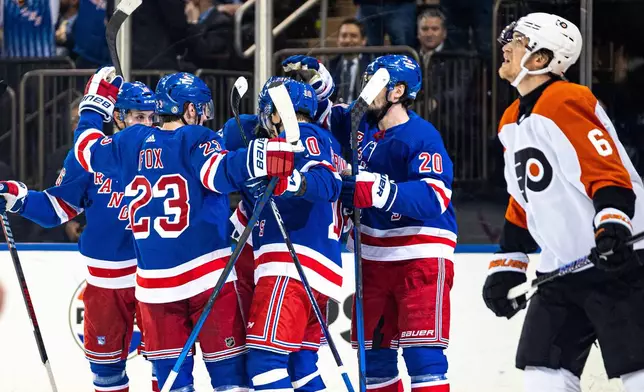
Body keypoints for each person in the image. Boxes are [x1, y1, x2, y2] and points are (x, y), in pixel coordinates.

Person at [71, 67, 295, 391]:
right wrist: (260, 158)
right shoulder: (196, 137)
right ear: (190, 109)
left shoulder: (128, 140)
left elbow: (86, 149)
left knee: (174, 387)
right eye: (202, 110)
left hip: (155, 291)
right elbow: (218, 173)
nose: (204, 118)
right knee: (231, 382)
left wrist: (93, 107)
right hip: (209, 283)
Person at [482, 13, 644, 392]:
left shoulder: (565, 98)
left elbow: (607, 171)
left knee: (638, 373)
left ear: (539, 59)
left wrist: (612, 227)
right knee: (543, 375)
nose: (505, 45)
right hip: (561, 273)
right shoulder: (511, 120)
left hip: (620, 265)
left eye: (517, 40)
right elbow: (523, 201)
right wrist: (509, 263)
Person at [285, 53, 457, 391]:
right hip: (372, 259)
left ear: (397, 91)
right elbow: (322, 114)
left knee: (424, 358)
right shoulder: (358, 123)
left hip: (419, 257)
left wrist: (378, 189)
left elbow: (434, 197)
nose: (365, 91)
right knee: (374, 363)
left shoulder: (422, 136)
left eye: (373, 83)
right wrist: (319, 77)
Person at [0, 81, 158, 392]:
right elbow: (57, 208)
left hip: (155, 282)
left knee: (167, 368)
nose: (147, 125)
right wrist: (20, 199)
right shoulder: (89, 157)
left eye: (151, 117)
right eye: (138, 117)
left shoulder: (165, 152)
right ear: (118, 117)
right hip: (104, 284)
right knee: (107, 375)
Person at [328, 18, 370, 104]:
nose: (347, 40)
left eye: (353, 36)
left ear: (363, 41)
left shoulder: (371, 67)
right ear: (338, 40)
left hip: (360, 113)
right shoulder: (329, 65)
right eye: (344, 36)